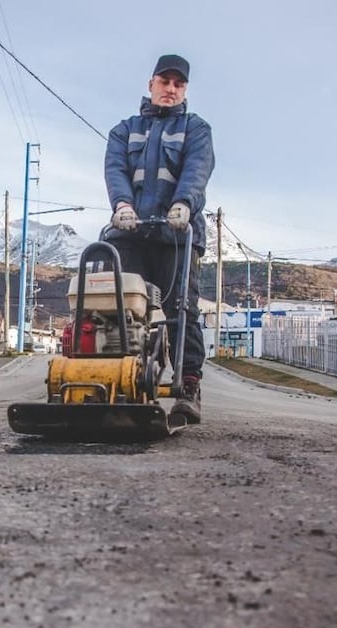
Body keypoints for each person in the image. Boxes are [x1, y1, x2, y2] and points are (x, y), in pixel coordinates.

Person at [104, 53, 215, 424]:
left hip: (177, 236)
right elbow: (115, 169)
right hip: (131, 232)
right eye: (164, 81)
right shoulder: (124, 130)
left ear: (184, 89)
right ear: (150, 83)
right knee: (122, 310)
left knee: (181, 309)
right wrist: (121, 204)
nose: (170, 89)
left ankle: (188, 385)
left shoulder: (196, 129)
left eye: (178, 83)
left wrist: (184, 204)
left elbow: (197, 170)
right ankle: (122, 381)